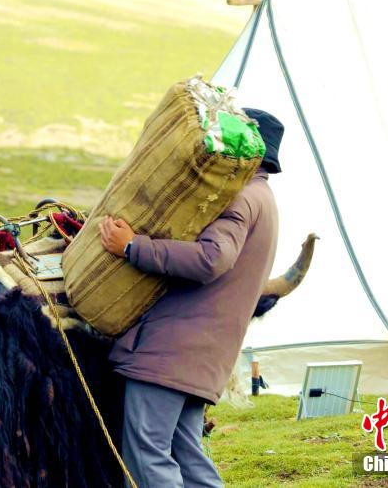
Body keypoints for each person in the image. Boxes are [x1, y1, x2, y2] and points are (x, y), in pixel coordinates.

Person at [99, 108, 284, 488]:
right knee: (187, 455)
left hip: (173, 351)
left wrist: (133, 246)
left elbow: (212, 258)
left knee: (147, 453)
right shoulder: (263, 197)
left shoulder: (241, 196)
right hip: (199, 355)